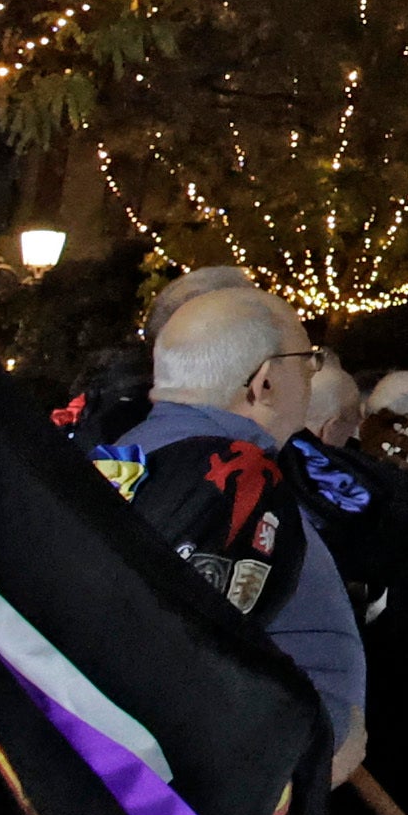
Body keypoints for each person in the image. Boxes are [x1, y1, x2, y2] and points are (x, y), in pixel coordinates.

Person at [111, 285, 369, 781]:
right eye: (306, 361)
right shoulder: (233, 489)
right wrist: (329, 735)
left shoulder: (121, 464)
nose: (312, 377)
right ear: (264, 382)